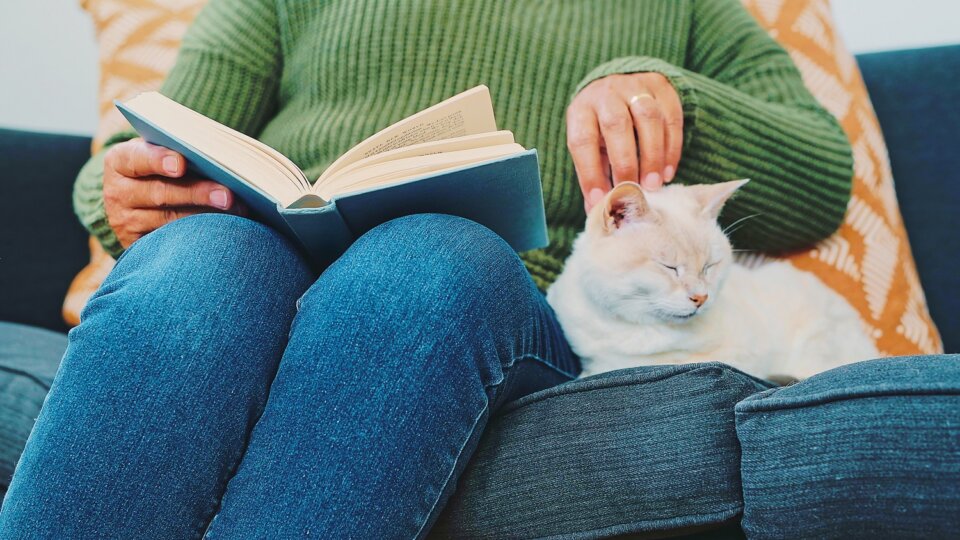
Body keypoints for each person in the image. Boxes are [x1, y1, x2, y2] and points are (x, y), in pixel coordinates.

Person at [0, 0, 853, 537]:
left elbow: (820, 177)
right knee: (196, 258)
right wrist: (119, 185)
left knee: (423, 257)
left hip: (495, 297)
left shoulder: (683, 7)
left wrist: (675, 99)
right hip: (266, 264)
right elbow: (156, 139)